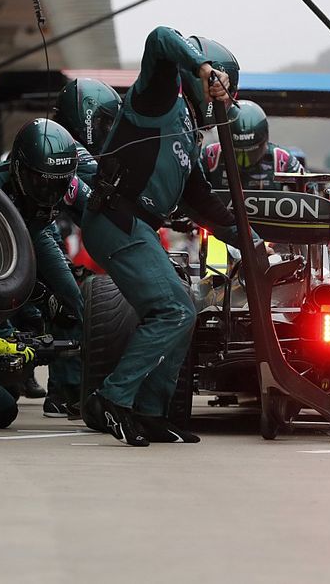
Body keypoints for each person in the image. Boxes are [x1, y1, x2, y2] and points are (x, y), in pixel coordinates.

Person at [82, 26, 245, 446]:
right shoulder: (158, 99)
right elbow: (158, 39)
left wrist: (251, 239)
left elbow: (203, 202)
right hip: (116, 219)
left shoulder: (187, 135)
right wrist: (200, 63)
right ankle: (114, 399)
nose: (217, 99)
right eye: (216, 88)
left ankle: (152, 413)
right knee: (174, 310)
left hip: (136, 227)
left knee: (185, 307)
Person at [0, 119, 86, 416]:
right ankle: (4, 375)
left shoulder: (70, 185)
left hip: (37, 235)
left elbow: (96, 214)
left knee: (71, 301)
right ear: (21, 169)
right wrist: (39, 292)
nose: (51, 191)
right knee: (10, 305)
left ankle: (64, 394)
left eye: (60, 182)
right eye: (43, 181)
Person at [202, 100, 304, 190]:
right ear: (224, 142)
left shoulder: (281, 160)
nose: (244, 160)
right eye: (236, 152)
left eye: (252, 152)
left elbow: (312, 194)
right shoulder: (211, 156)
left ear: (265, 141)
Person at [53, 77, 121, 185]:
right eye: (107, 121)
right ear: (87, 115)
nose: (109, 129)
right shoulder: (65, 148)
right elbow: (98, 181)